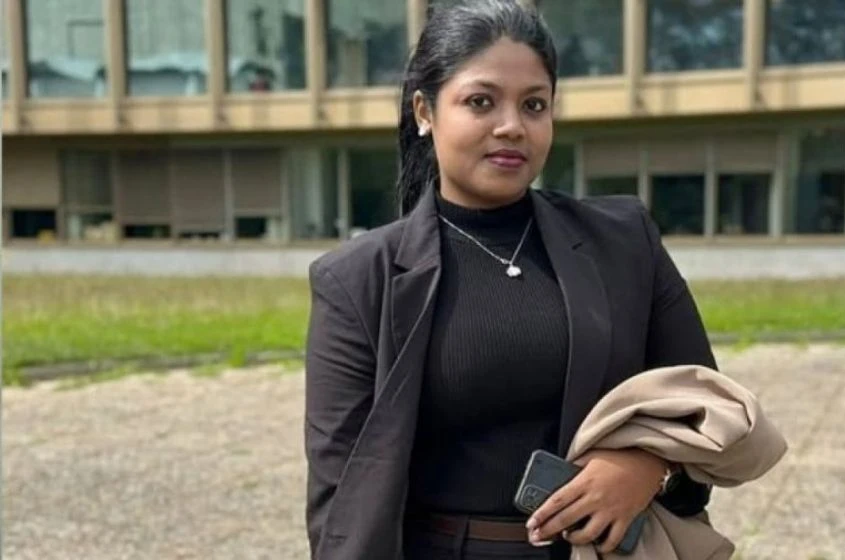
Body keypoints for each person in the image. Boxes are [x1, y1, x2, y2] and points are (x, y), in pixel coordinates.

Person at [304, 1, 718, 559]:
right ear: (425, 111)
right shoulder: (357, 279)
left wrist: (647, 465)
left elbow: (701, 400)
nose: (512, 127)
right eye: (481, 101)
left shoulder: (624, 241)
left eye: (534, 105)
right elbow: (342, 497)